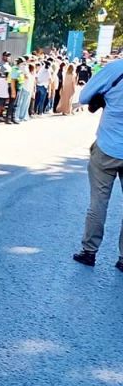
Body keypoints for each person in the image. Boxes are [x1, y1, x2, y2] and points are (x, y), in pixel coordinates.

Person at [72, 59, 123, 272]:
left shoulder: (115, 68)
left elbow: (84, 97)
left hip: (107, 147)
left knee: (98, 203)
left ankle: (89, 251)